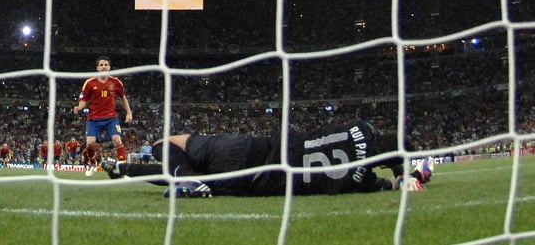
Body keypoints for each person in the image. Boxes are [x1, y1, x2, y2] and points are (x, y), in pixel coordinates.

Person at [101, 119, 434, 197]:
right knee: (201, 178)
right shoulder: (364, 182)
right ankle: (125, 168)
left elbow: (380, 141)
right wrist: (410, 177)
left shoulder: (359, 127)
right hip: (254, 185)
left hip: (250, 149)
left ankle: (186, 179)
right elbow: (391, 183)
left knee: (166, 142)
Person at [72, 55, 133, 176]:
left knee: (117, 139)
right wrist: (79, 108)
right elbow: (83, 100)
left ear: (109, 67)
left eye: (106, 65)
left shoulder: (116, 82)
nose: (104, 67)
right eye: (101, 65)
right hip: (94, 118)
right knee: (90, 143)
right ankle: (93, 164)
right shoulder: (89, 83)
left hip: (111, 118)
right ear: (97, 68)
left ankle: (123, 170)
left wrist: (129, 113)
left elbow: (123, 98)